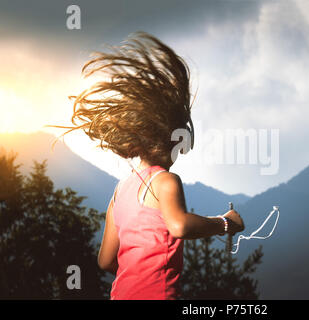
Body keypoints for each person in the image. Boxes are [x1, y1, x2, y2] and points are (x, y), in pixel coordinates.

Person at [54, 32, 245, 300]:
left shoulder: (119, 192)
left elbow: (106, 260)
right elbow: (178, 226)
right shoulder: (165, 181)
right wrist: (225, 223)